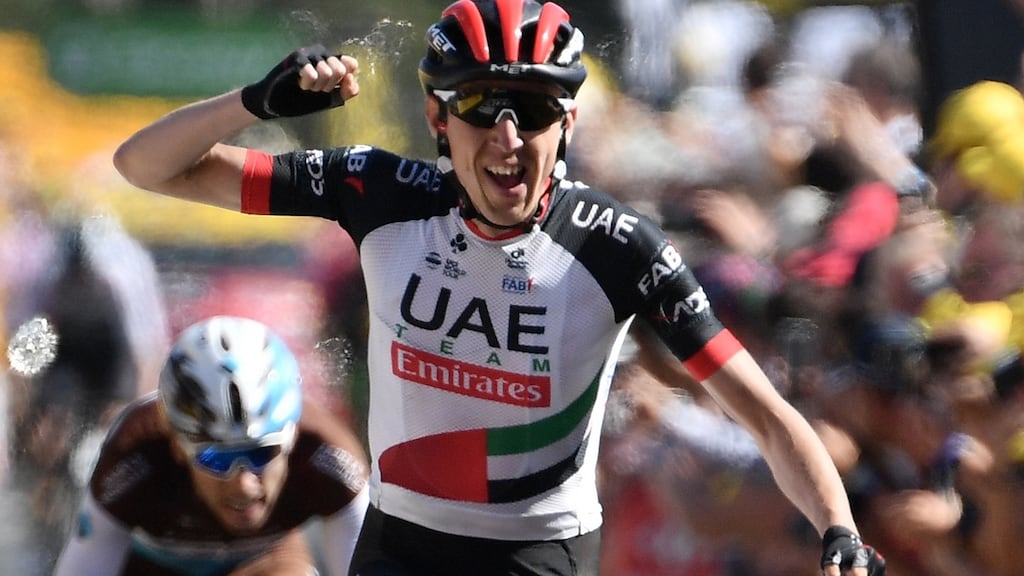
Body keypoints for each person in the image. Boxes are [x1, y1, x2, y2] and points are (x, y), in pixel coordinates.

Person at [111, 1, 885, 574]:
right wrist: (251, 103)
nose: (508, 138)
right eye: (482, 108)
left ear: (568, 122)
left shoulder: (619, 247)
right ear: (438, 118)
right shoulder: (378, 191)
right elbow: (142, 167)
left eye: (535, 110)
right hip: (400, 540)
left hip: (536, 550)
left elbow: (768, 416)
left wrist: (838, 529)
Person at [53, 316, 369, 576]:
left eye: (261, 453)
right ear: (177, 446)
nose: (244, 485)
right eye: (218, 459)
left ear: (292, 439)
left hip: (267, 563)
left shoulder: (326, 452)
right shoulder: (137, 452)